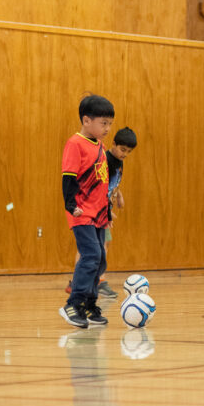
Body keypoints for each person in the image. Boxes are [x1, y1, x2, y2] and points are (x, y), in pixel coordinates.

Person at [59, 94, 115, 329]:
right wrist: (71, 205)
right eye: (104, 123)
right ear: (86, 120)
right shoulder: (75, 143)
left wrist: (108, 211)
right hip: (81, 213)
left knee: (100, 259)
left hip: (99, 214)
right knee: (91, 255)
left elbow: (102, 182)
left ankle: (90, 304)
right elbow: (68, 177)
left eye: (110, 123)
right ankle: (74, 303)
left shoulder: (99, 145)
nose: (108, 128)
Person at [62, 127, 136, 300]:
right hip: (95, 210)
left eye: (128, 152)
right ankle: (81, 282)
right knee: (91, 247)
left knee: (102, 244)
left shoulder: (118, 161)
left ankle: (95, 279)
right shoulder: (106, 159)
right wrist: (106, 210)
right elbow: (99, 184)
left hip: (102, 210)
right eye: (122, 149)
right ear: (114, 144)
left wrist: (118, 196)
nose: (125, 154)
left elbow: (112, 182)